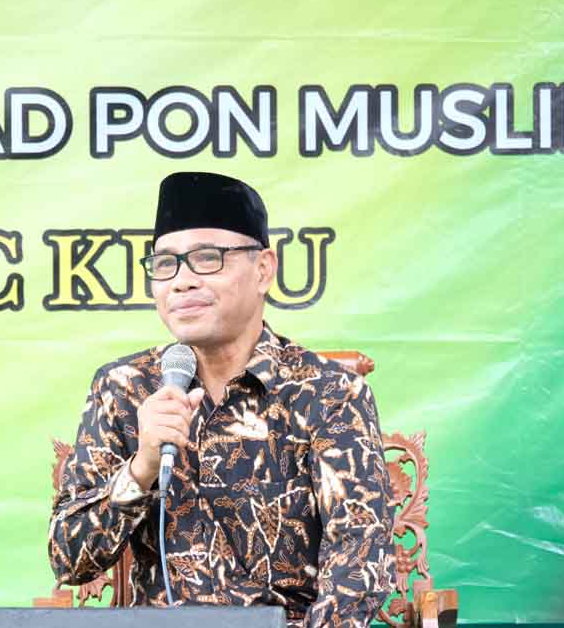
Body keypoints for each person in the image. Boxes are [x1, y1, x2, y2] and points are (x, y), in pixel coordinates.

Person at [48, 172, 395, 628]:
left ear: (263, 270)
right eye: (165, 264)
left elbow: (360, 562)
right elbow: (69, 561)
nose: (181, 282)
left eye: (207, 259)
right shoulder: (125, 388)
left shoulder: (328, 392)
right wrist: (142, 467)